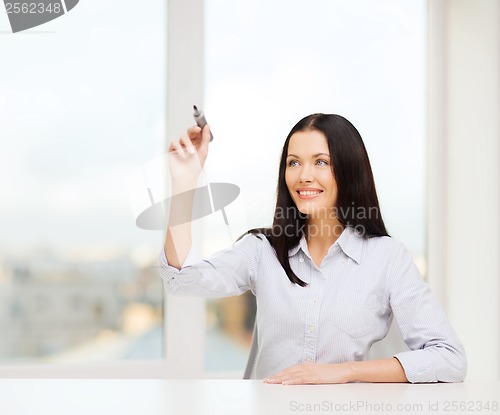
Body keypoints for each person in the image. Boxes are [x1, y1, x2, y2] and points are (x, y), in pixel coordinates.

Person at [160, 113, 467, 384]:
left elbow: (449, 358)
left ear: (348, 170)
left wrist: (343, 372)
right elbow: (179, 280)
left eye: (321, 162)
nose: (304, 175)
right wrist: (184, 183)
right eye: (294, 162)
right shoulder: (262, 250)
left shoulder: (387, 257)